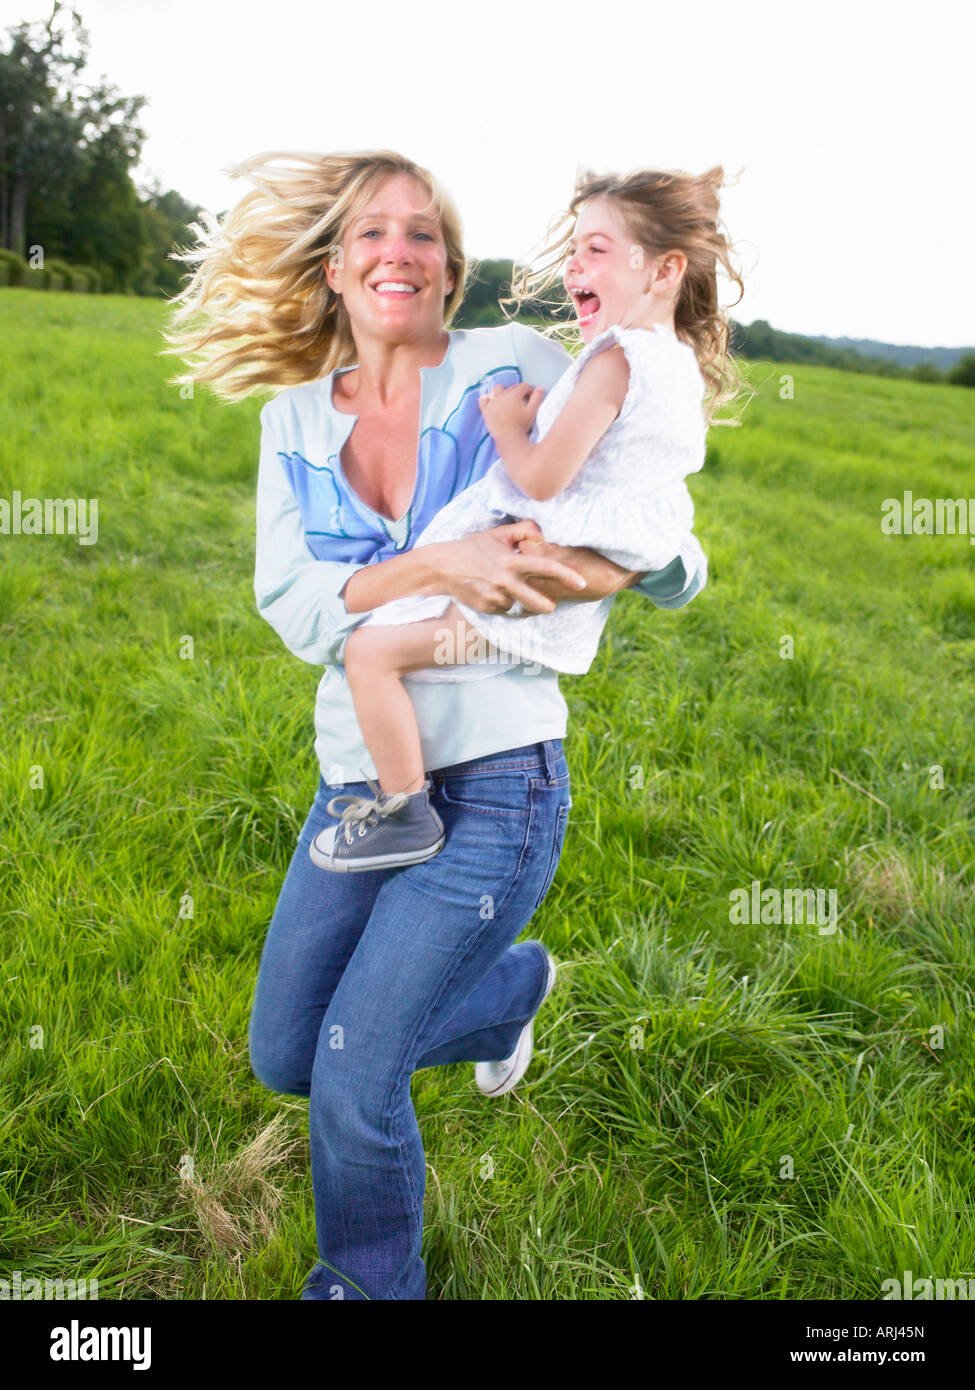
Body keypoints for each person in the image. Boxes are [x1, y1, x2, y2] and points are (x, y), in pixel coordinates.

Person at [163, 148, 709, 1301]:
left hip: (499, 777)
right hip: (362, 780)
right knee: (287, 1050)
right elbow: (300, 607)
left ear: (452, 270)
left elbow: (658, 515)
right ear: (332, 268)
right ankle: (507, 992)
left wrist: (607, 573)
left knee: (358, 1075)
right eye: (370, 233)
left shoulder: (520, 364)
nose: (396, 252)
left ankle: (366, 1285)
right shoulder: (295, 423)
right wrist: (440, 562)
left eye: (421, 234)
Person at [308, 165, 741, 873]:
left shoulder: (609, 360)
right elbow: (650, 501)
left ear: (664, 270)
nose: (573, 265)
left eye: (595, 249)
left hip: (521, 604)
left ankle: (404, 810)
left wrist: (508, 426)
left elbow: (543, 480)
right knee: (378, 643)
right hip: (539, 602)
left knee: (369, 652)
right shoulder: (673, 367)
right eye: (573, 249)